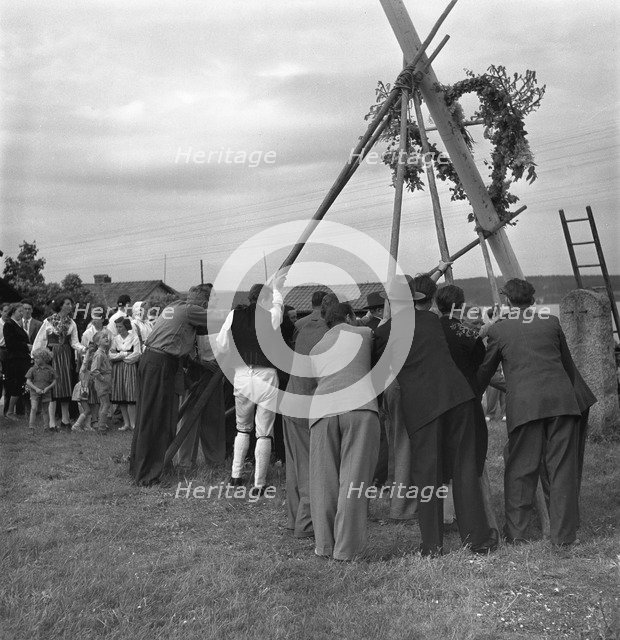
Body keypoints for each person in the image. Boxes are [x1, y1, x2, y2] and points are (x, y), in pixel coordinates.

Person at [374, 274, 495, 557]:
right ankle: (477, 539)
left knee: (428, 476)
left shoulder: (383, 333)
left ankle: (432, 545)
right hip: (460, 398)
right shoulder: (432, 320)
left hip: (424, 408)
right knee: (464, 469)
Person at [477, 278, 584, 547]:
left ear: (508, 302)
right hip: (562, 402)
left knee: (521, 469)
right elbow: (568, 367)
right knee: (562, 469)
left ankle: (517, 534)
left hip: (525, 406)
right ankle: (563, 536)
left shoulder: (500, 330)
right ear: (533, 300)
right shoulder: (551, 322)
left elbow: (484, 372)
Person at [309, 302, 380, 561]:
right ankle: (347, 549)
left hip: (321, 412)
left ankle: (324, 545)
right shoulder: (362, 334)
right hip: (359, 407)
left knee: (323, 481)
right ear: (350, 316)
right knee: (353, 480)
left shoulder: (316, 348)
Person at [130, 284, 213, 486]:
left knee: (152, 417)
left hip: (152, 360)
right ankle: (147, 476)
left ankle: (144, 468)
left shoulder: (175, 306)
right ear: (203, 303)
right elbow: (224, 319)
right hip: (160, 363)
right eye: (208, 305)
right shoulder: (191, 310)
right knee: (155, 419)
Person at [217, 277, 285, 491]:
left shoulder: (233, 315)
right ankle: (259, 482)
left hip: (242, 374)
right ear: (265, 299)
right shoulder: (272, 315)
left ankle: (236, 475)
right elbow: (278, 305)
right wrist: (277, 289)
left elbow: (222, 344)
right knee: (264, 431)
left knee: (242, 428)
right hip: (266, 375)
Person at [282, 289, 330, 538]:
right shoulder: (330, 331)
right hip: (308, 403)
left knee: (295, 465)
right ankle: (307, 524)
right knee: (314, 463)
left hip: (291, 398)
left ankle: (294, 519)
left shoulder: (299, 325)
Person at [436, 285, 488, 476]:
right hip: (465, 397)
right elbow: (480, 362)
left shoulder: (430, 329)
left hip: (437, 398)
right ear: (461, 306)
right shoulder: (466, 334)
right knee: (470, 452)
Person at [33, 296, 85, 429]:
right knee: (53, 386)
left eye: (70, 304)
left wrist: (84, 349)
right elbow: (41, 340)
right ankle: (51, 422)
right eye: (67, 303)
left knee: (65, 386)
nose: (70, 306)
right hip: (52, 355)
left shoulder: (71, 323)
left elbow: (74, 342)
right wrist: (36, 357)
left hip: (66, 356)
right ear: (61, 306)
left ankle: (65, 419)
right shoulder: (49, 321)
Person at [110, 317, 141, 431]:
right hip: (118, 369)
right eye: (117, 327)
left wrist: (121, 357)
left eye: (121, 326)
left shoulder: (134, 337)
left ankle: (133, 423)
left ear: (126, 326)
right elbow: (111, 355)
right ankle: (126, 423)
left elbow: (137, 354)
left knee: (130, 395)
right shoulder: (115, 339)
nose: (119, 329)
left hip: (130, 367)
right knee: (121, 395)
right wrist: (124, 355)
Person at [3, 303, 31, 419]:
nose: (22, 313)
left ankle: (23, 410)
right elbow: (10, 343)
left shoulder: (17, 325)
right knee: (17, 384)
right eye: (20, 311)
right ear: (13, 311)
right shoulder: (9, 324)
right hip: (15, 359)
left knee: (21, 384)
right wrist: (26, 346)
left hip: (22, 358)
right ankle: (10, 411)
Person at [25, 348, 56, 433]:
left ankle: (46, 428)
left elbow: (54, 381)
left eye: (37, 358)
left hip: (46, 392)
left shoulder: (50, 369)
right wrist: (36, 389)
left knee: (45, 410)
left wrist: (48, 388)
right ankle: (31, 428)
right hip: (34, 392)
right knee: (34, 408)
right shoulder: (33, 369)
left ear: (44, 358)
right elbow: (28, 381)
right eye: (34, 358)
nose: (35, 360)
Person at [90, 330, 112, 433]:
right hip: (102, 382)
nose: (106, 338)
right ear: (98, 342)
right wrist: (103, 379)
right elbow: (94, 370)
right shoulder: (99, 354)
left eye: (106, 337)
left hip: (105, 382)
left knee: (104, 404)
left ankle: (101, 425)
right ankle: (102, 427)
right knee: (105, 404)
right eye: (103, 337)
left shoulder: (103, 353)